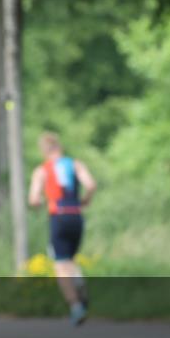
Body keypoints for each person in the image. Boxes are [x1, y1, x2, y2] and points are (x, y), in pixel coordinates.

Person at [28, 132, 97, 326]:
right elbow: (91, 185)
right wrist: (85, 200)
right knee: (71, 259)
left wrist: (39, 202)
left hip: (58, 216)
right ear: (59, 147)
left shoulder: (42, 170)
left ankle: (75, 306)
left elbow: (33, 199)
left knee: (60, 264)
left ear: (44, 150)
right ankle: (79, 281)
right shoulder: (75, 164)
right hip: (76, 215)